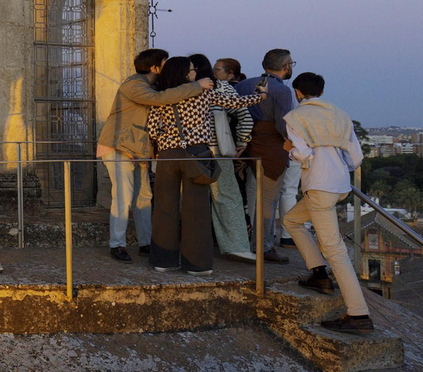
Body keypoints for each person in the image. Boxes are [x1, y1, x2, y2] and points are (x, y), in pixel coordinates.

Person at [145, 57, 267, 275]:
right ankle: (197, 264)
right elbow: (234, 103)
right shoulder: (204, 93)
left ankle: (164, 261)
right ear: (185, 74)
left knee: (165, 209)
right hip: (197, 154)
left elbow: (152, 130)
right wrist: (261, 95)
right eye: (192, 71)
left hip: (167, 155)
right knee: (197, 211)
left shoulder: (161, 96)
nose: (196, 74)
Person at [96, 48, 212, 263]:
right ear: (154, 67)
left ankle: (146, 243)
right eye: (164, 62)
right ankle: (117, 244)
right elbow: (159, 100)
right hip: (119, 146)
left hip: (139, 149)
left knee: (144, 198)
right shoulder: (134, 85)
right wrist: (196, 86)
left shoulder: (150, 85)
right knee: (123, 196)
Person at [283, 73, 374, 332]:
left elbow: (302, 153)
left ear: (297, 92)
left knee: (335, 250)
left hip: (319, 185)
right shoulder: (341, 115)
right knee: (292, 220)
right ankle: (318, 274)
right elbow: (356, 158)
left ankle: (358, 315)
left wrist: (288, 148)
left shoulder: (296, 117)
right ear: (321, 92)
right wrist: (336, 167)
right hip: (338, 185)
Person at [241, 49, 298, 259]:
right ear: (286, 67)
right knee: (268, 200)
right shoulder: (282, 91)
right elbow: (283, 125)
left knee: (252, 196)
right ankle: (263, 246)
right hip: (271, 147)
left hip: (245, 145)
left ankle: (248, 241)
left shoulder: (243, 85)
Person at [201, 56, 260, 261]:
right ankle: (236, 246)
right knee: (227, 197)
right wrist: (242, 142)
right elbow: (244, 115)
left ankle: (191, 246)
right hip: (218, 150)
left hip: (188, 151)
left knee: (191, 199)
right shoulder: (221, 88)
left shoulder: (182, 89)